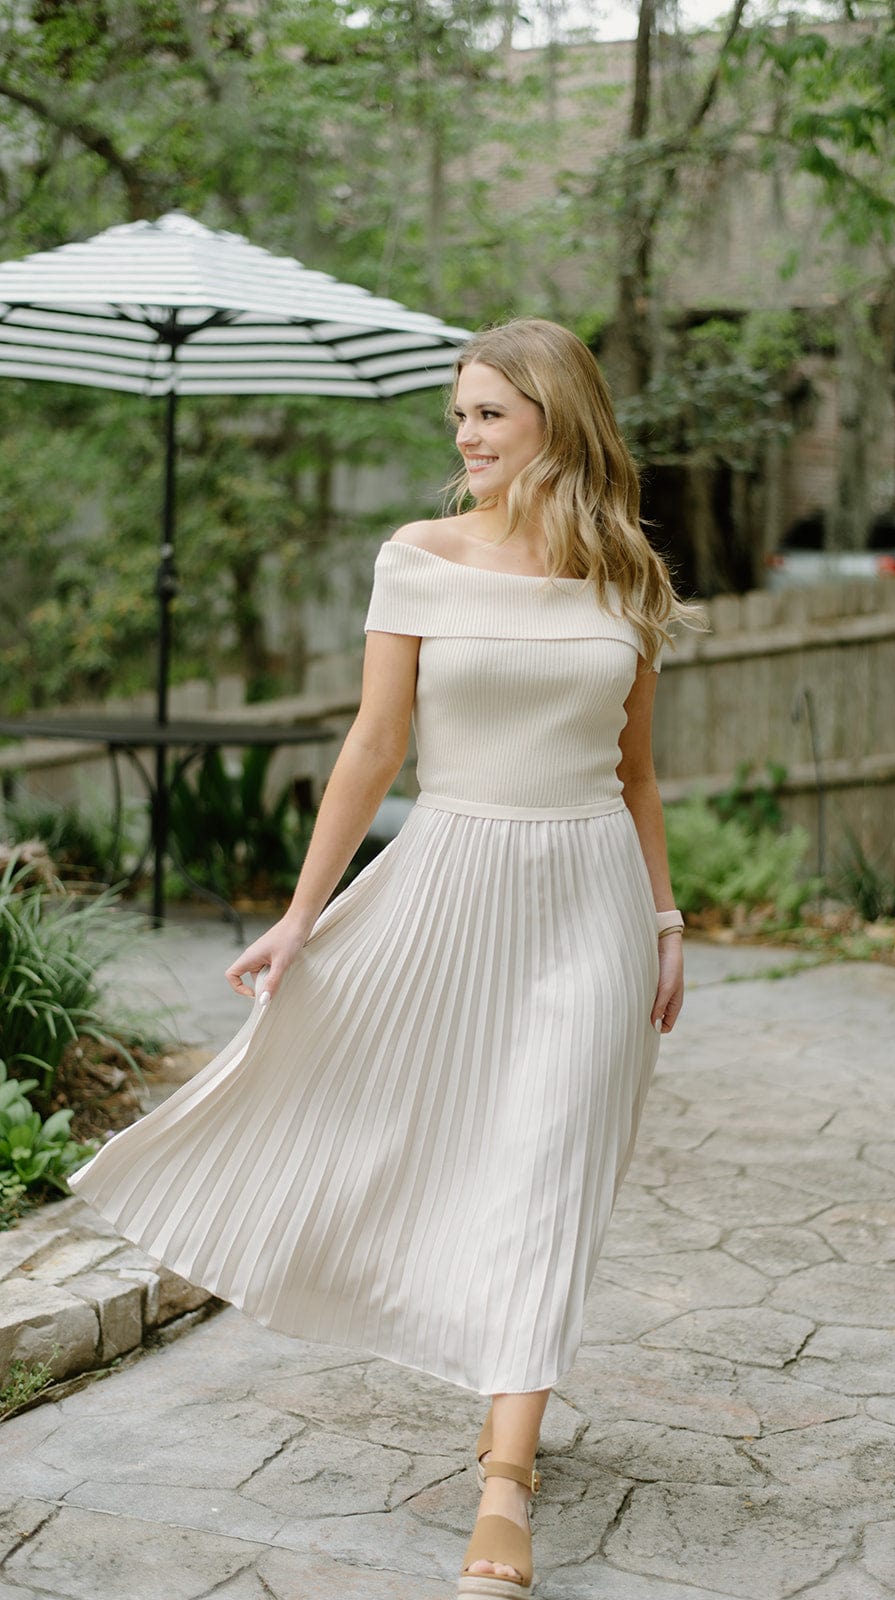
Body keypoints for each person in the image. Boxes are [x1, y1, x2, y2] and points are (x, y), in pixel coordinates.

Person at [68, 316, 696, 1598]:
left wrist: (666, 922)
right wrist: (303, 914)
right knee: (431, 1142)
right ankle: (496, 1390)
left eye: (487, 414)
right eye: (457, 415)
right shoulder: (415, 558)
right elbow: (371, 746)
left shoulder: (626, 576)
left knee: (549, 1165)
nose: (464, 436)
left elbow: (635, 776)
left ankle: (505, 1481)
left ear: (555, 421)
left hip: (588, 896)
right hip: (451, 879)